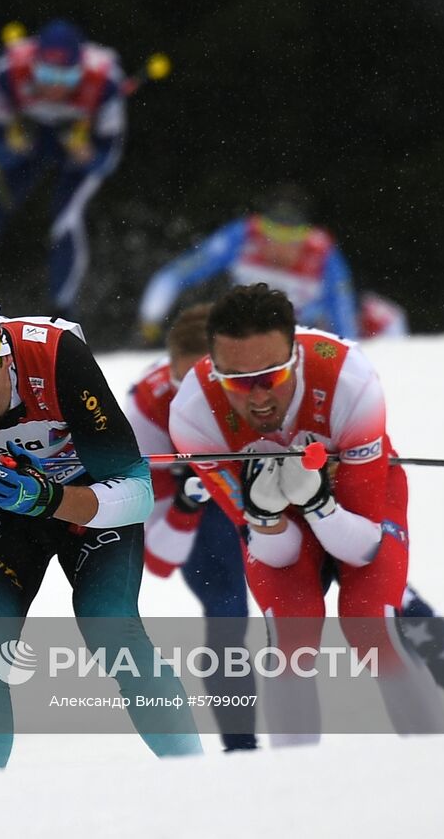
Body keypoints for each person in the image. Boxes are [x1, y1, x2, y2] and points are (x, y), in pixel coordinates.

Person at [140, 303, 444, 732]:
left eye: (272, 378)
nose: (258, 397)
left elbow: (363, 547)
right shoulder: (191, 413)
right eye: (236, 384)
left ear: (295, 358)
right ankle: (286, 779)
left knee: (371, 621)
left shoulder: (348, 380)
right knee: (288, 634)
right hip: (285, 519)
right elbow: (267, 555)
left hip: (356, 507)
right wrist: (263, 518)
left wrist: (320, 505)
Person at [0, 281, 202, 771]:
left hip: (86, 510)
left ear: (4, 350)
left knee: (110, 626)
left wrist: (51, 499)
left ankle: (196, 780)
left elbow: (136, 495)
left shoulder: (54, 357)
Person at [125, 303, 258, 753]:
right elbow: (159, 560)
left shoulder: (259, 379)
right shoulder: (144, 410)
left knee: (376, 586)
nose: (192, 402)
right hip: (206, 513)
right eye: (184, 386)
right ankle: (242, 751)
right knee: (227, 614)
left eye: (209, 385)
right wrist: (184, 503)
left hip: (266, 494)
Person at [0, 20, 125, 318]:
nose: (55, 86)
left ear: (82, 69)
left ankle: (63, 315)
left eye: (67, 76)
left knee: (67, 220)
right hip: (29, 146)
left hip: (73, 150)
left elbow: (109, 155)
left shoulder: (106, 80)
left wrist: (88, 155)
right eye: (46, 74)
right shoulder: (7, 72)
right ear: (34, 66)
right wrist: (11, 145)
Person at [137, 184, 361, 344]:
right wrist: (151, 318)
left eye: (291, 238)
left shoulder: (322, 251)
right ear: (261, 227)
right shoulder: (241, 235)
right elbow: (177, 274)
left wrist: (347, 348)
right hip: (241, 329)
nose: (280, 247)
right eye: (272, 234)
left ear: (306, 234)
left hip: (301, 335)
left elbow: (342, 308)